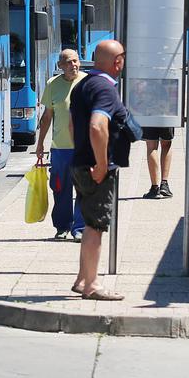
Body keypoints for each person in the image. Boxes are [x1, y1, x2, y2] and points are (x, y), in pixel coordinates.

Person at [68, 39, 127, 301]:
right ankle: (92, 285)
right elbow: (97, 126)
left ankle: (82, 279)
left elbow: (72, 125)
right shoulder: (105, 88)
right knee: (96, 226)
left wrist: (81, 151)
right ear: (118, 61)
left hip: (79, 162)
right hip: (96, 167)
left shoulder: (83, 84)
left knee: (89, 221)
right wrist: (102, 164)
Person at [35, 48, 86, 241]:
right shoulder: (52, 85)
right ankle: (62, 226)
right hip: (60, 149)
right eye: (69, 62)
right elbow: (47, 117)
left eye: (75, 61)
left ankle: (79, 228)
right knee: (60, 189)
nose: (73, 65)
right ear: (60, 66)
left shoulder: (87, 82)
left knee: (82, 189)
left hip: (83, 148)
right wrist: (40, 144)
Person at [142, 118, 175, 199]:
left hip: (148, 111)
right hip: (167, 110)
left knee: (151, 146)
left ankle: (155, 188)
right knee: (166, 144)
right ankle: (164, 184)